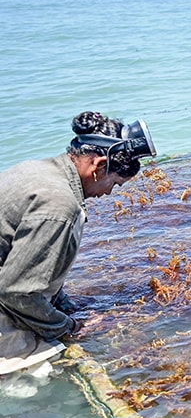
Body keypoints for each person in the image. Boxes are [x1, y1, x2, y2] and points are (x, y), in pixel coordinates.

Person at [0, 111, 156, 384]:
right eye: (115, 183)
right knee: (39, 376)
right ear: (98, 165)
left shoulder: (37, 170)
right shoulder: (59, 205)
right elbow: (17, 292)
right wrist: (68, 326)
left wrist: (66, 306)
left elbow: (24, 260)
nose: (109, 192)